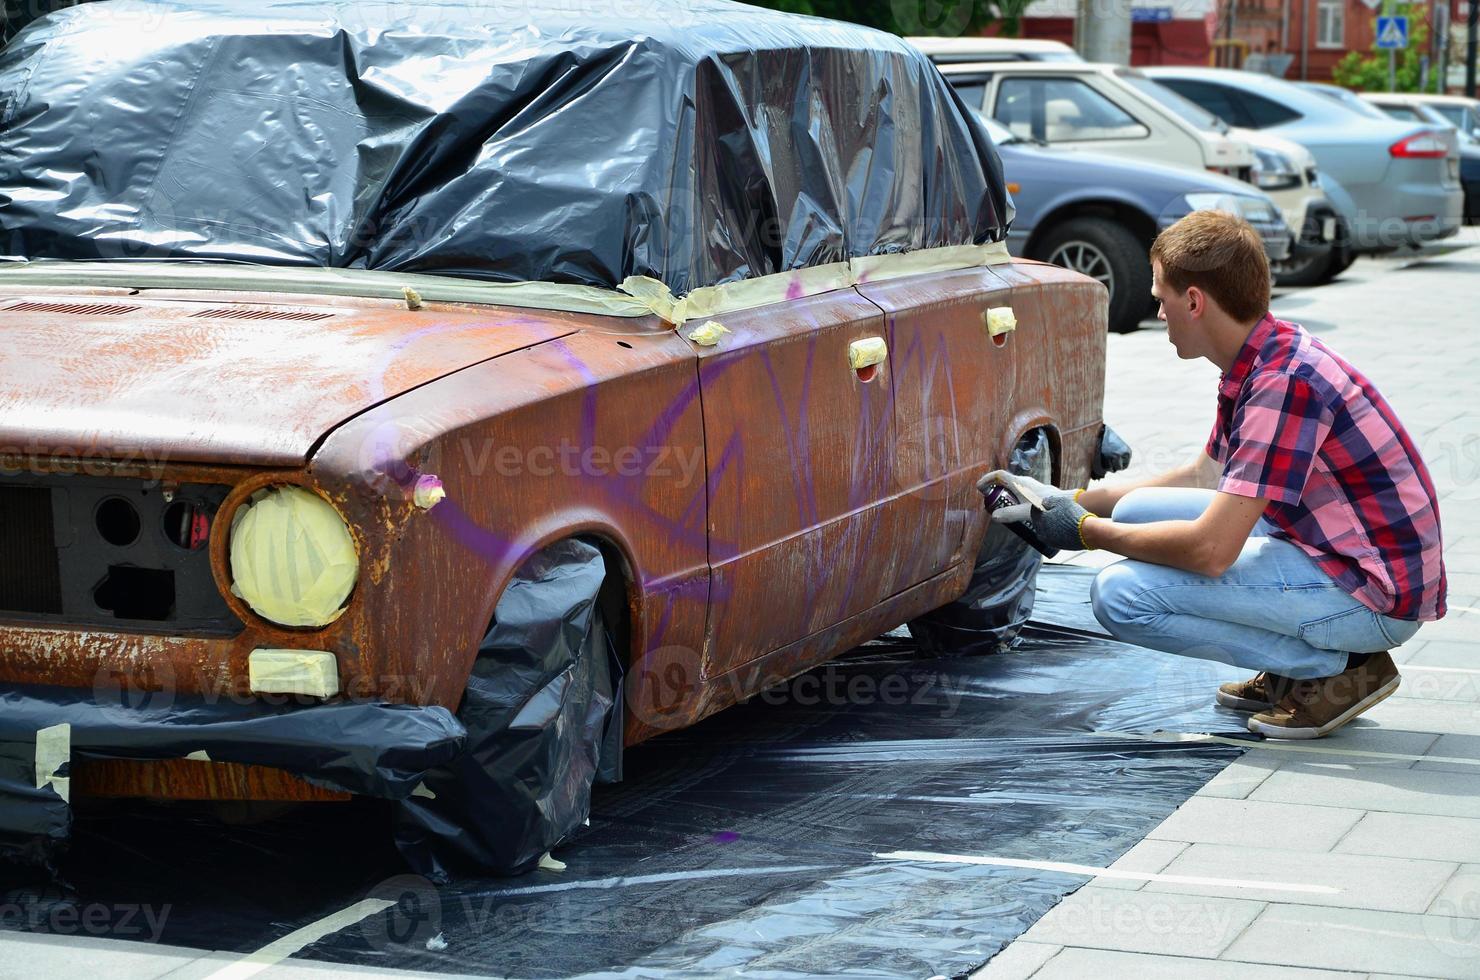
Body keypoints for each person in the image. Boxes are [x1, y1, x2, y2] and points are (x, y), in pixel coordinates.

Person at [983, 209, 1446, 739]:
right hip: (1342, 555)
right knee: (1134, 512)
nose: (1158, 313)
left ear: (1195, 301)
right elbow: (1205, 475)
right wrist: (1075, 499)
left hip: (1373, 596)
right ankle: (1303, 660)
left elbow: (1211, 550)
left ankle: (1341, 669)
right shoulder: (1264, 354)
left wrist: (1082, 533)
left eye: (1161, 298)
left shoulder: (1282, 384)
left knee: (1119, 595)